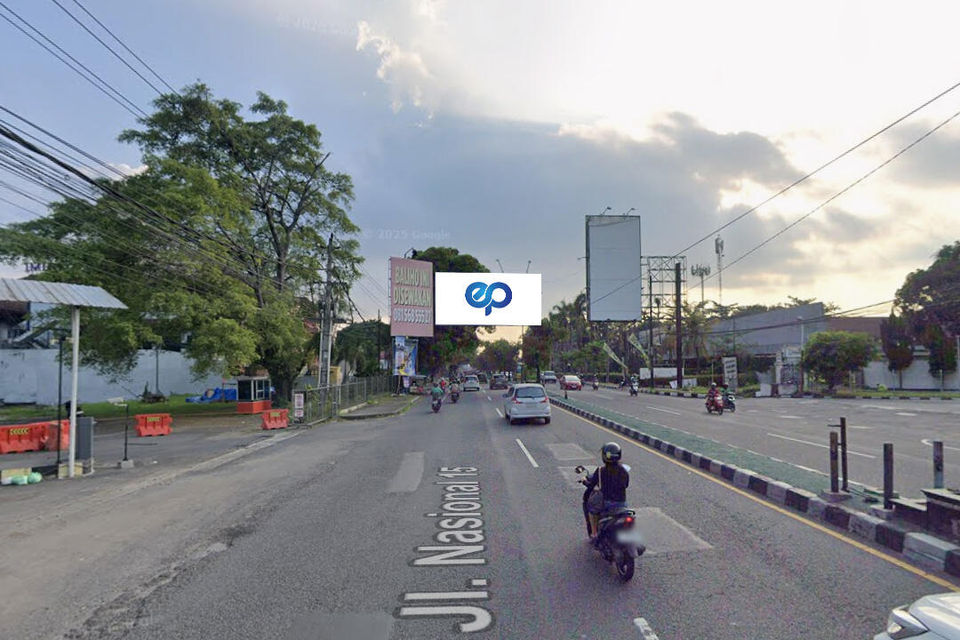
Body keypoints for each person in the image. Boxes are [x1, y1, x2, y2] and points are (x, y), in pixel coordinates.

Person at [581, 442, 630, 543]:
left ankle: (594, 534)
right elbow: (626, 485)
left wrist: (584, 482)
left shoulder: (600, 471)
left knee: (592, 512)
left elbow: (591, 486)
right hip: (622, 504)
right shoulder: (624, 470)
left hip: (607, 504)